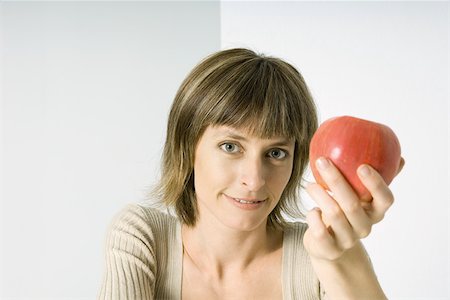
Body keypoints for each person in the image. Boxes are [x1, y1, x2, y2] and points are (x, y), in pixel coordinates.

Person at [97, 48, 405, 299]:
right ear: (187, 147)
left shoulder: (316, 255)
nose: (255, 180)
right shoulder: (143, 237)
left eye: (276, 153)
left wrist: (337, 258)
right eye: (231, 147)